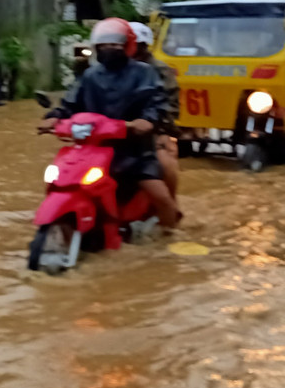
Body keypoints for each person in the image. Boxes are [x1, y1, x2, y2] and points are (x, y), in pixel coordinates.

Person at [39, 18, 180, 231]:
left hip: (133, 149)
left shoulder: (145, 72)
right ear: (97, 47)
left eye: (115, 44)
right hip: (94, 147)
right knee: (57, 180)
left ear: (126, 45)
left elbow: (157, 101)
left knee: (158, 194)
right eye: (104, 44)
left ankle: (171, 231)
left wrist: (148, 120)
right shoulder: (90, 75)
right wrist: (54, 116)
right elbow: (71, 102)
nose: (109, 48)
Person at [131, 22, 181, 200]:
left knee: (165, 165)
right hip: (118, 130)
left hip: (153, 130)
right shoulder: (110, 70)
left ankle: (170, 209)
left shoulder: (159, 71)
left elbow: (169, 105)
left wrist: (160, 130)